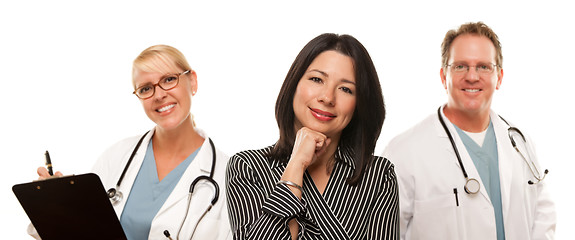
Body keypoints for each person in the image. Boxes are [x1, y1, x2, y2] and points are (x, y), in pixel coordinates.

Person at [32, 45, 231, 239]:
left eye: (169, 79)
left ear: (193, 81)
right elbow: (82, 231)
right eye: (146, 89)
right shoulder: (117, 156)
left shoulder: (229, 175)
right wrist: (55, 204)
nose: (159, 95)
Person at [384, 22, 556, 240]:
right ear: (443, 77)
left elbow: (543, 214)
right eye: (460, 66)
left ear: (499, 78)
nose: (472, 77)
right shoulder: (403, 152)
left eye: (484, 66)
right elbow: (385, 232)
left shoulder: (519, 142)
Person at [226, 33, 399, 239]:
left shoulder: (378, 176)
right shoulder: (247, 167)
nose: (327, 97)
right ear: (294, 85)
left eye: (346, 89)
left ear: (359, 105)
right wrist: (296, 164)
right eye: (317, 79)